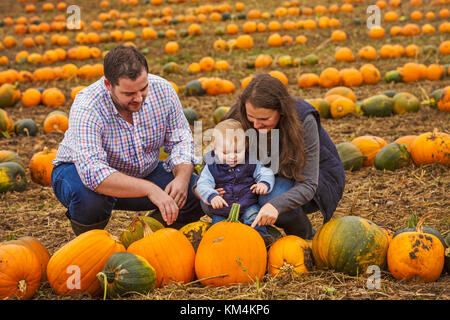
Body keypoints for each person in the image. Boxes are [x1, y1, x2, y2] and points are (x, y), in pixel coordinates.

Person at [51, 45, 203, 235]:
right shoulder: (88, 106)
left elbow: (182, 139)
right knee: (90, 200)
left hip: (143, 171)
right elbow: (92, 172)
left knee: (196, 191)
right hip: (78, 174)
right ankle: (92, 243)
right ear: (108, 85)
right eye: (129, 94)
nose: (139, 98)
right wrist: (150, 189)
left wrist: (181, 178)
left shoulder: (163, 90)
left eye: (143, 88)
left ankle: (148, 237)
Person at [222, 73, 346, 240]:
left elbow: (308, 184)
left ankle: (304, 235)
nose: (256, 125)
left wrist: (275, 206)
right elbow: (218, 154)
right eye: (251, 118)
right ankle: (263, 236)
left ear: (281, 111)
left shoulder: (303, 120)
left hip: (307, 179)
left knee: (273, 196)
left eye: (264, 119)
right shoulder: (240, 112)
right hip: (265, 170)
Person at [195, 119, 275, 240]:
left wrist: (264, 183)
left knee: (253, 218)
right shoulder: (211, 166)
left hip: (248, 205)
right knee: (218, 230)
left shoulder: (250, 161)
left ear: (245, 147)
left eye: (238, 151)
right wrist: (212, 196)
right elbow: (202, 184)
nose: (232, 156)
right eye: (226, 153)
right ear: (215, 150)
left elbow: (265, 172)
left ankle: (261, 241)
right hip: (222, 211)